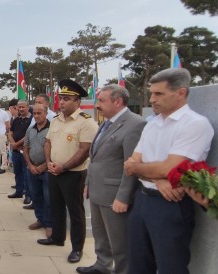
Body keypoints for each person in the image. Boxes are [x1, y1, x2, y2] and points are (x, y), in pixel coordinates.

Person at [124, 68, 213, 274]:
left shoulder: (195, 124)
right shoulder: (153, 124)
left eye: (159, 93)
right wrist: (159, 179)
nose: (152, 99)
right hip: (143, 199)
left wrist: (144, 169)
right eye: (151, 93)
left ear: (181, 93)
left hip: (170, 204)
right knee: (138, 264)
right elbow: (130, 164)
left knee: (170, 266)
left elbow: (170, 167)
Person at [76, 85, 146, 274]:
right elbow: (97, 157)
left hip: (115, 195)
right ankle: (102, 265)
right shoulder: (106, 123)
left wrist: (123, 196)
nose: (98, 105)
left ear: (118, 101)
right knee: (101, 236)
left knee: (120, 241)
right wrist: (89, 184)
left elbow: (131, 165)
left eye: (102, 101)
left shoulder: (135, 124)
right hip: (97, 191)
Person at [37, 79, 98, 264]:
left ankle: (77, 248)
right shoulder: (56, 120)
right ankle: (57, 237)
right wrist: (49, 163)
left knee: (75, 211)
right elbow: (48, 142)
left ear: (77, 102)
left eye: (66, 99)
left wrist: (63, 167)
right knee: (55, 206)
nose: (61, 102)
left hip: (73, 174)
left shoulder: (86, 122)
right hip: (53, 170)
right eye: (60, 98)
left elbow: (84, 150)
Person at [23, 104, 53, 237]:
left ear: (46, 113)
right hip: (32, 168)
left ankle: (49, 224)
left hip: (47, 170)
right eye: (34, 113)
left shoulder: (53, 129)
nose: (36, 116)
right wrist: (30, 165)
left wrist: (44, 166)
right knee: (37, 196)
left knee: (48, 198)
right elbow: (26, 148)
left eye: (39, 113)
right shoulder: (31, 130)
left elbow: (55, 150)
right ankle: (40, 219)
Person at [8, 100, 34, 202]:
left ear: (27, 107)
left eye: (23, 107)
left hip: (26, 151)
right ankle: (18, 191)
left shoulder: (32, 120)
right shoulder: (16, 120)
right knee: (17, 172)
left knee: (26, 173)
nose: (21, 109)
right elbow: (10, 133)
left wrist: (17, 144)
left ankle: (28, 195)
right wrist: (13, 144)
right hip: (15, 151)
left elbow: (28, 135)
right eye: (19, 107)